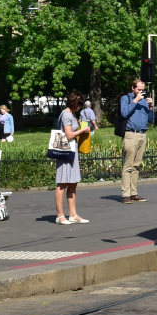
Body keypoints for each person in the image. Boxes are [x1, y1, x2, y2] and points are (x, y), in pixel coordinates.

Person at [55, 91, 91, 225]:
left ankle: (73, 214)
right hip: (65, 151)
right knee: (63, 183)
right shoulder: (66, 115)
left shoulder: (72, 114)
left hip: (72, 151)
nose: (80, 107)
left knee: (72, 183)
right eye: (79, 105)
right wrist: (83, 130)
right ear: (74, 103)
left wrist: (80, 126)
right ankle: (60, 215)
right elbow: (69, 135)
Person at [118, 78, 154, 203]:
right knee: (128, 165)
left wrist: (150, 107)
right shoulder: (126, 98)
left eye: (143, 90)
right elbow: (124, 113)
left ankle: (133, 193)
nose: (141, 92)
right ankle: (125, 194)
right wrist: (135, 100)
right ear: (133, 88)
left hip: (142, 134)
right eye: (139, 89)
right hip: (130, 134)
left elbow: (151, 120)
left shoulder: (144, 101)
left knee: (136, 166)